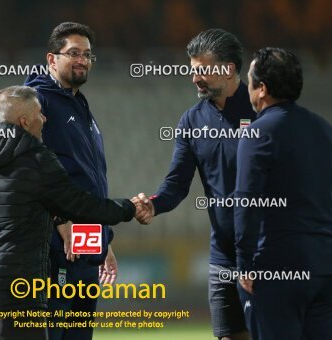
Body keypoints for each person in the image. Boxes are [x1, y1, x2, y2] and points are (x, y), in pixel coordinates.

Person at [0, 86, 136, 340]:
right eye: (39, 114)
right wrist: (128, 208)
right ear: (24, 122)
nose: (44, 119)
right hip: (20, 298)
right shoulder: (36, 159)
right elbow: (79, 205)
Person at [132, 29, 255, 340]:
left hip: (269, 253)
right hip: (223, 256)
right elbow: (176, 184)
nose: (194, 78)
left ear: (227, 69)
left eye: (202, 70)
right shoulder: (191, 120)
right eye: (192, 70)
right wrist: (154, 205)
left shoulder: (262, 109)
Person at [234, 48, 332, 340]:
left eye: (249, 82)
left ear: (262, 89)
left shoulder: (257, 135)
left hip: (279, 267)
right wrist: (329, 242)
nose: (247, 89)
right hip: (326, 267)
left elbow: (246, 202)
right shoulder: (328, 132)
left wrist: (245, 264)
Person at [24, 22, 114, 340]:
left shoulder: (78, 102)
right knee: (57, 332)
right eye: (73, 53)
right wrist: (60, 221)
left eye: (87, 54)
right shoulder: (38, 101)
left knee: (79, 333)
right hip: (57, 239)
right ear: (51, 59)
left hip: (85, 238)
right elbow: (30, 166)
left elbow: (89, 177)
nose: (82, 60)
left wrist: (104, 239)